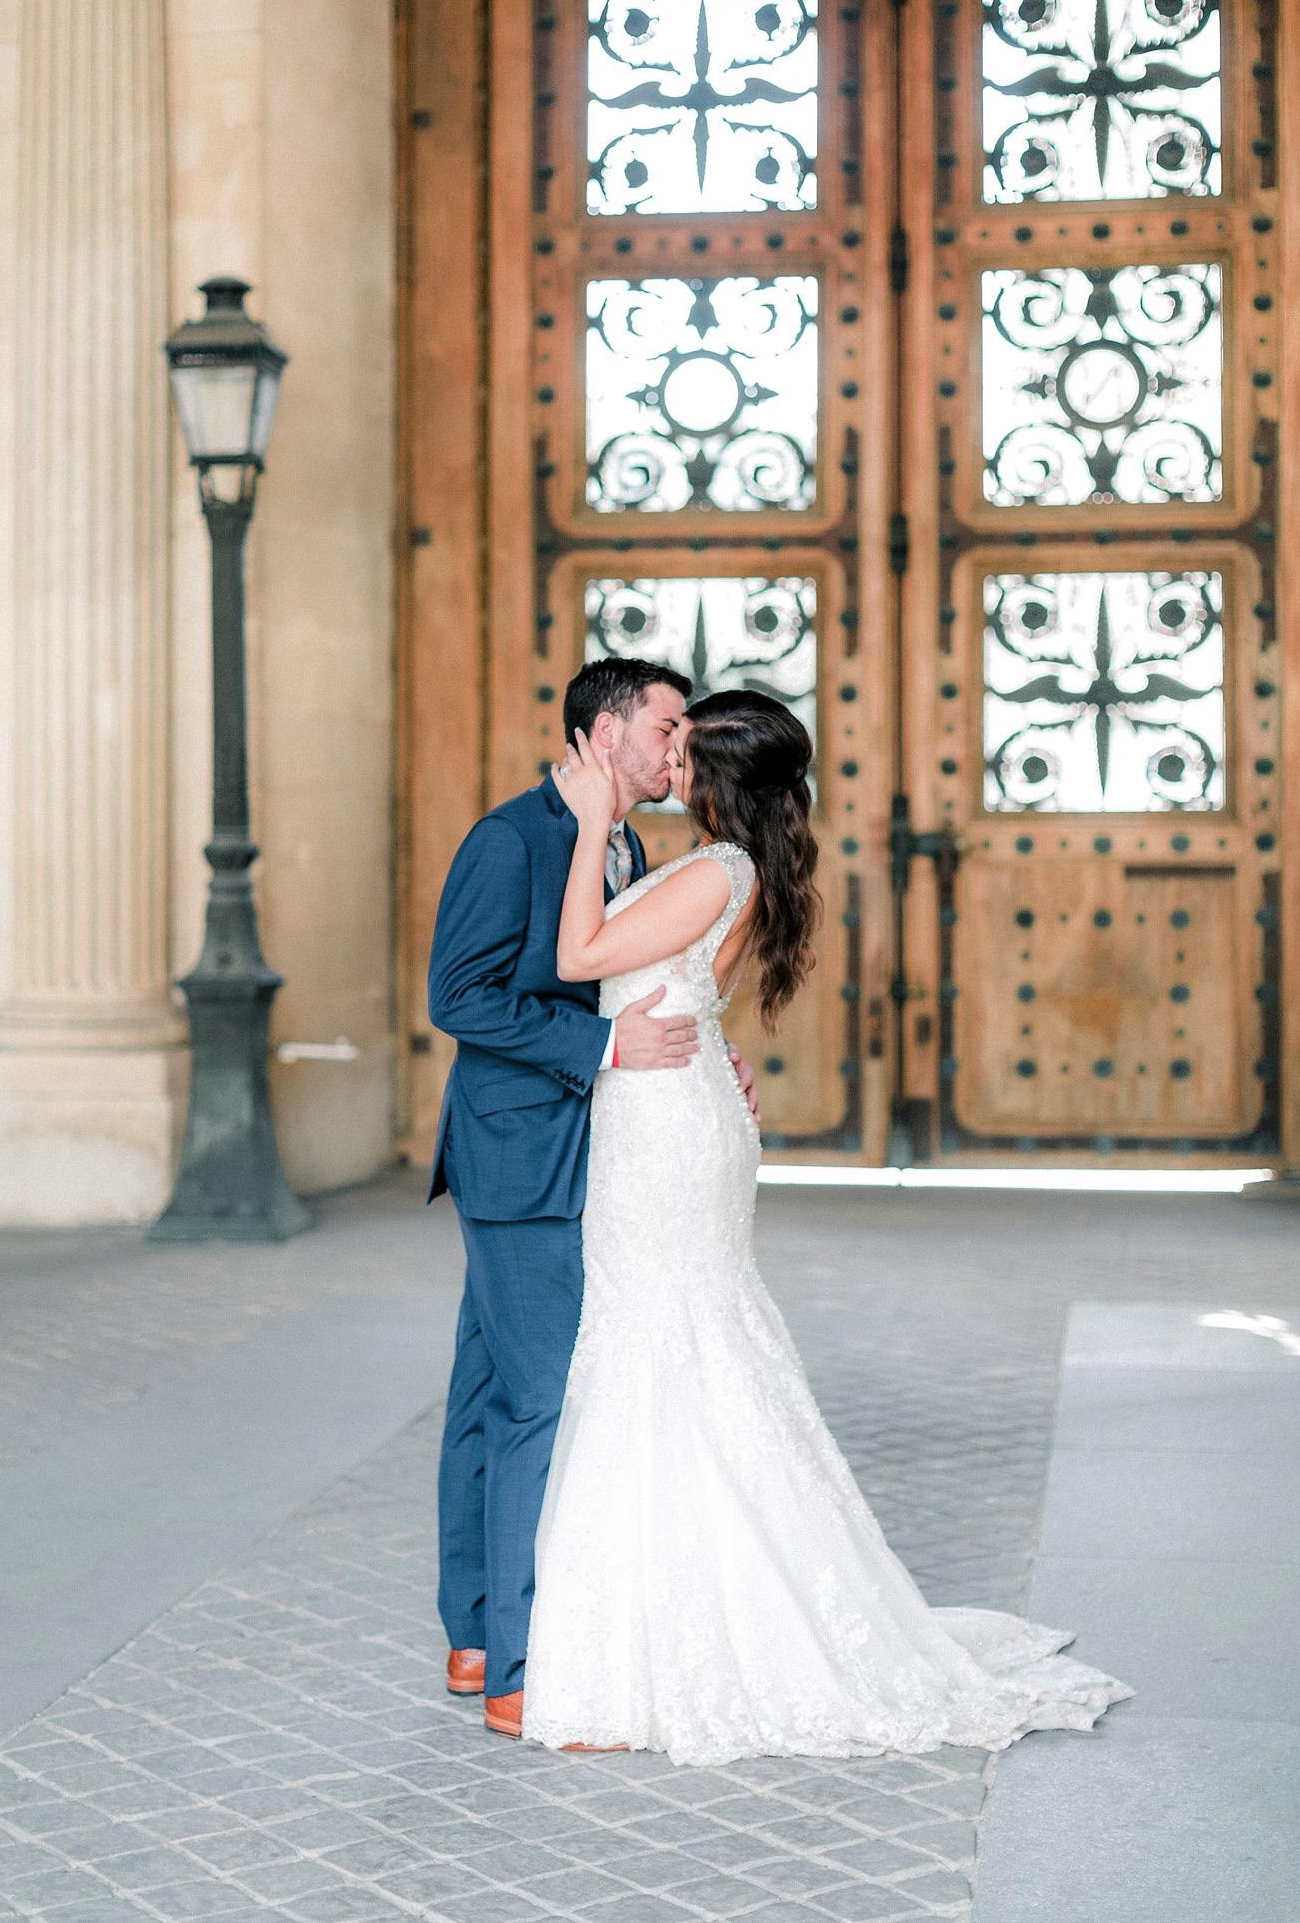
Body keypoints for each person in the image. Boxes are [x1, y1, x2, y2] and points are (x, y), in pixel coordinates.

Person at [520, 688, 1131, 1764]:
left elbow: (579, 959)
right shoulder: (733, 869)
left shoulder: (713, 869)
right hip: (672, 1111)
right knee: (676, 1345)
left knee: (659, 1346)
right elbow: (686, 996)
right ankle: (657, 1629)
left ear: (712, 776)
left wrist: (580, 827)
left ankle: (656, 1651)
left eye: (680, 743)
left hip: (664, 1133)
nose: (663, 753)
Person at [426, 657, 758, 1738]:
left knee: (489, 1390)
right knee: (536, 1401)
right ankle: (520, 1672)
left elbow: (644, 971)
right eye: (664, 728)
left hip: (602, 1155)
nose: (677, 749)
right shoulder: (511, 837)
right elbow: (459, 997)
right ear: (602, 731)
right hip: (522, 1155)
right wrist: (607, 1042)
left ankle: (474, 1632)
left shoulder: (629, 845)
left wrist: (706, 1049)